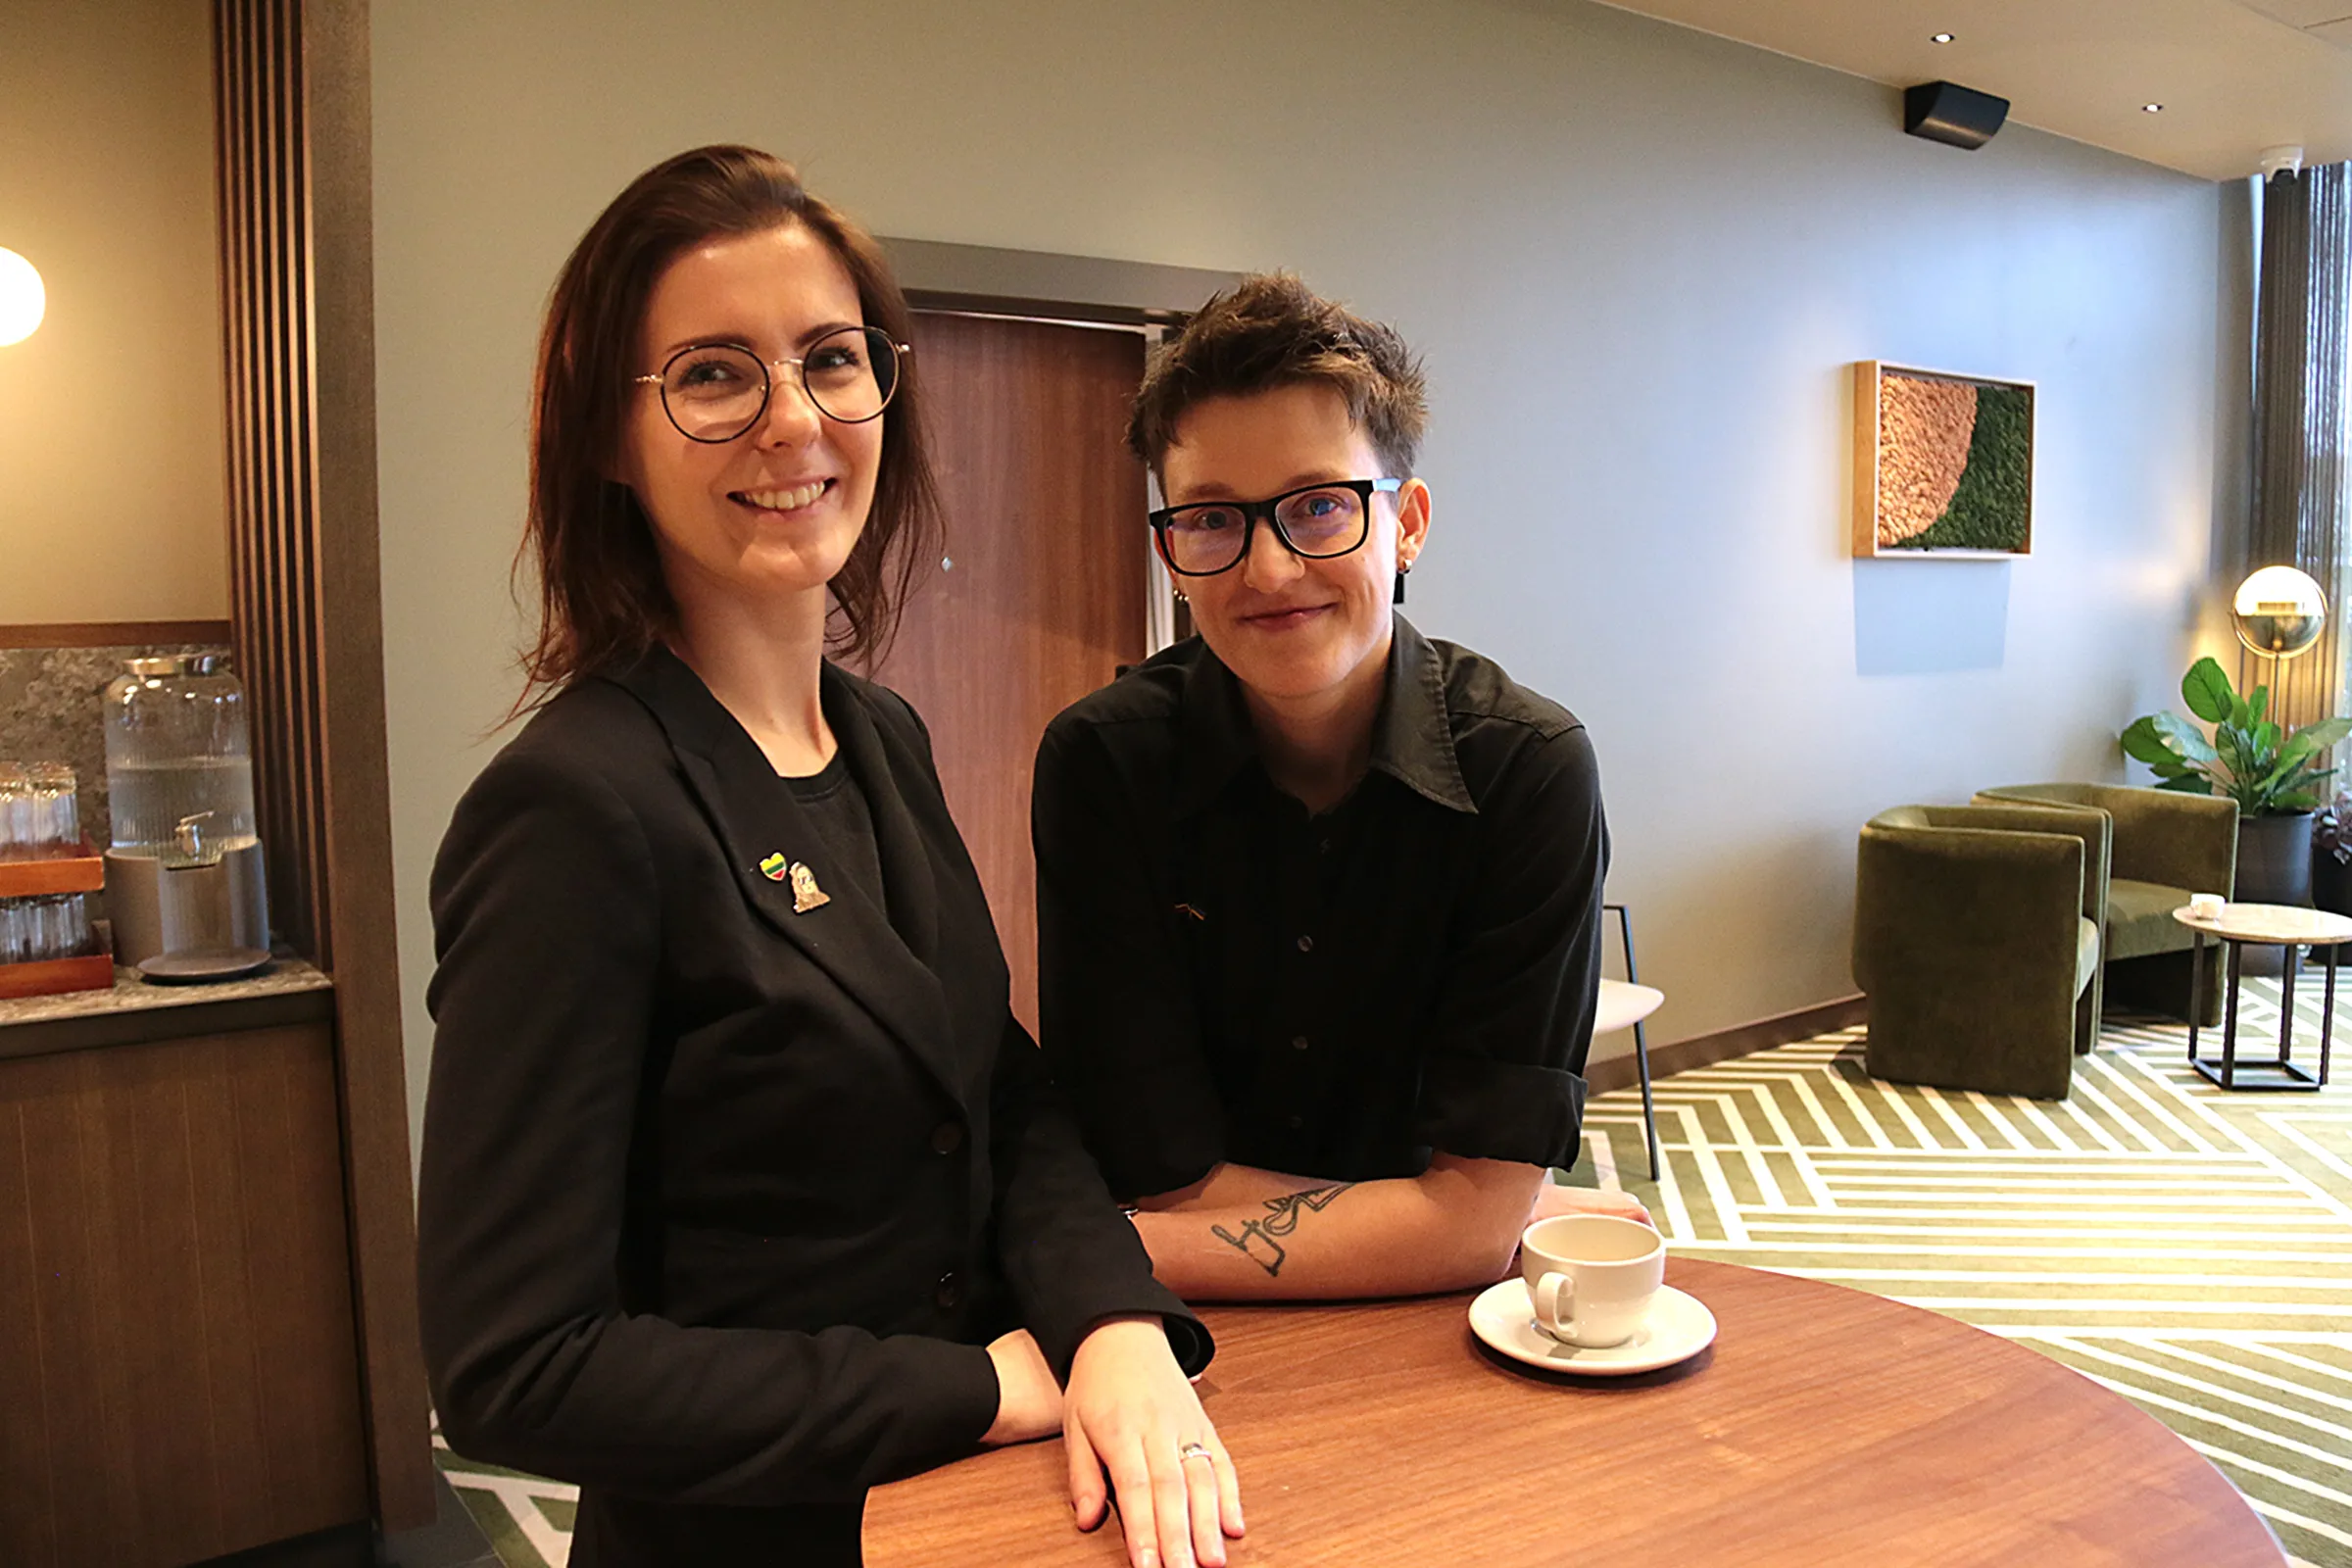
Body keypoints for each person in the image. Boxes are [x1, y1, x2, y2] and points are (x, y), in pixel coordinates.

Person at [416, 145, 1242, 1568]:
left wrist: (1109, 1319)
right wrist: (974, 1384)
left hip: (981, 1521)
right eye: (716, 373)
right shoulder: (574, 810)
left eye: (832, 359)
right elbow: (519, 1364)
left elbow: (997, 1083)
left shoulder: (882, 736)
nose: (793, 419)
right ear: (608, 437)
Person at [1033, 274, 1639, 1303]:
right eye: (1215, 519)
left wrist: (1094, 1246)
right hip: (1179, 1344)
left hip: (1437, 1328)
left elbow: (1470, 1223)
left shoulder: (1528, 770)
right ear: (1171, 552)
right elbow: (1157, 1169)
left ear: (1406, 526)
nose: (1268, 571)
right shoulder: (1103, 764)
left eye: (1319, 507)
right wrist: (1458, 1220)